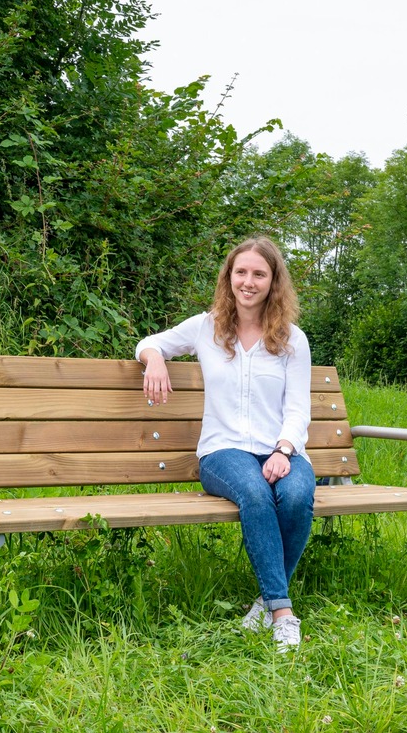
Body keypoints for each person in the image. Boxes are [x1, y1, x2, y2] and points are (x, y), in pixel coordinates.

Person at [136, 236, 314, 651]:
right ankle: (283, 613)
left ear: (273, 282)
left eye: (259, 274)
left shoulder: (292, 339)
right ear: (229, 276)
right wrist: (156, 359)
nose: (248, 282)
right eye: (241, 272)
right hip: (222, 452)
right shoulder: (205, 327)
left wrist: (284, 450)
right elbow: (149, 342)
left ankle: (265, 602)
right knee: (254, 492)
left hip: (281, 449)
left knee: (297, 494)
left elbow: (299, 408)